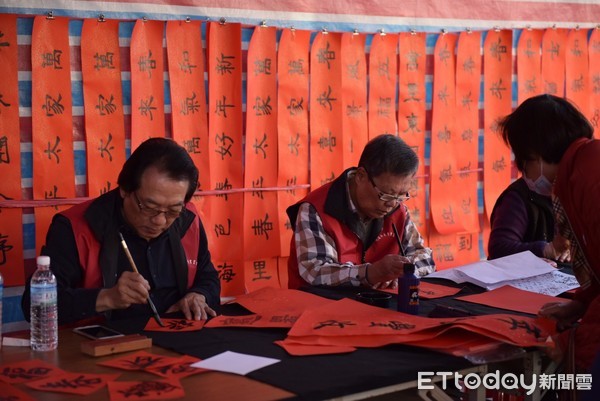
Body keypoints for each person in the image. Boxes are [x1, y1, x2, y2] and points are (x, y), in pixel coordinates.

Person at [22, 138, 220, 325]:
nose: (160, 220)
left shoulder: (187, 220)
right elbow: (34, 306)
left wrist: (199, 295)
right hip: (103, 347)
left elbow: (207, 277)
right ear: (125, 189)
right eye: (149, 207)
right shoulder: (76, 227)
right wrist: (107, 297)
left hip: (175, 340)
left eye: (173, 210)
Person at [498, 94, 599, 372]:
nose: (524, 172)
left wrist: (575, 346)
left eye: (522, 162)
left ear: (536, 154)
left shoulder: (589, 180)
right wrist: (582, 303)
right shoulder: (582, 170)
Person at [286, 134, 435, 290]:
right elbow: (315, 271)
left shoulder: (398, 210)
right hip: (321, 308)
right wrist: (370, 273)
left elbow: (425, 258)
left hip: (377, 306)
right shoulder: (315, 209)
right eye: (385, 194)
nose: (391, 204)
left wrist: (405, 271)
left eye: (400, 195)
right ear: (361, 176)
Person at [488, 158, 570, 262]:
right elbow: (498, 249)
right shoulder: (515, 199)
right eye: (554, 161)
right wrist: (545, 250)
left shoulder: (564, 194)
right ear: (530, 161)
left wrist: (570, 250)